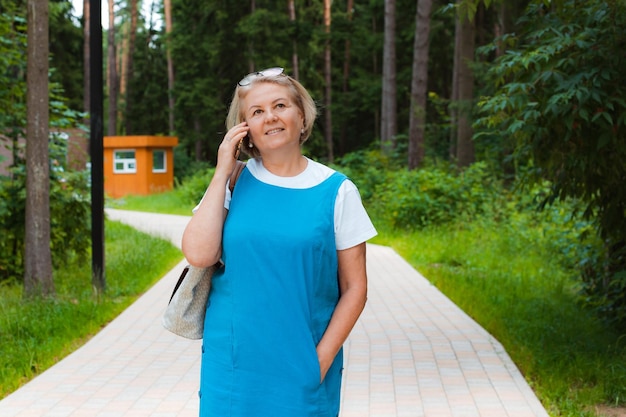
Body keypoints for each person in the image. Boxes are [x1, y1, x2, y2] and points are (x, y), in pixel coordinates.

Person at [181, 67, 377, 417]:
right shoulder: (233, 182)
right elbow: (199, 253)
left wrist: (319, 361)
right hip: (231, 368)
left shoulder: (337, 191)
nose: (270, 117)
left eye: (280, 105)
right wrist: (222, 169)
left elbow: (355, 288)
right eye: (256, 112)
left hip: (302, 364)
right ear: (246, 131)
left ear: (301, 116)